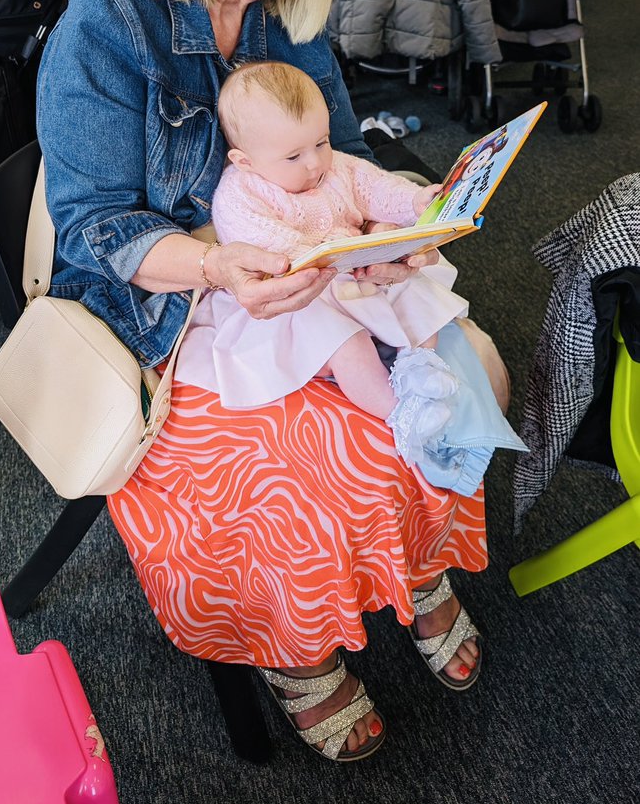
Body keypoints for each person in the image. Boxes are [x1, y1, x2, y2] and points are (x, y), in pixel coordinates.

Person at [37, 0, 510, 762]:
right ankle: (295, 651)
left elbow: (335, 158)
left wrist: (402, 223)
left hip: (297, 284)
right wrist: (214, 264)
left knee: (462, 368)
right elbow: (93, 229)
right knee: (284, 470)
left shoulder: (283, 17)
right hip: (164, 307)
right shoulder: (106, 24)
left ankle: (414, 571)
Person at [176, 61, 522, 491]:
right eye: (294, 156)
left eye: (320, 142)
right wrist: (322, 256)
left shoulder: (333, 164)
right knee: (345, 342)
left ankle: (420, 366)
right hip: (295, 298)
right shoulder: (239, 194)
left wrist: (416, 201)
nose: (315, 162)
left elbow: (374, 186)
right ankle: (398, 411)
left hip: (353, 270)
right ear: (245, 160)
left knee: (418, 293)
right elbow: (265, 245)